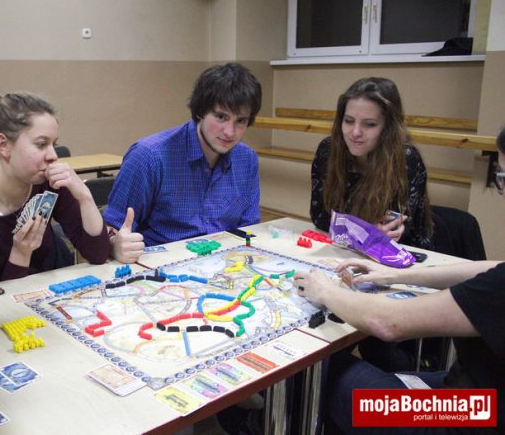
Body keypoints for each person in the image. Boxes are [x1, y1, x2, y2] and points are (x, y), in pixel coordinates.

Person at [295, 128, 505, 433]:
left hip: (468, 415)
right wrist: (395, 274)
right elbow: (492, 269)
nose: (501, 190)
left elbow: (387, 323)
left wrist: (324, 290)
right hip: (478, 398)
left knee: (316, 369)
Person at [104, 62, 262, 263]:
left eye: (241, 121)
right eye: (221, 117)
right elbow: (111, 230)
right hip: (159, 267)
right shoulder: (149, 156)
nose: (230, 132)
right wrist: (113, 245)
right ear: (200, 112)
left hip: (224, 265)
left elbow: (249, 228)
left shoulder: (247, 159)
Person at [0, 90, 111, 286]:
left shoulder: (49, 184)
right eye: (41, 144)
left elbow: (97, 254)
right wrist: (21, 254)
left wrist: (84, 197)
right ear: (3, 145)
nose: (53, 155)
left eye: (54, 144)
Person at [310, 77, 433, 250]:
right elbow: (320, 216)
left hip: (400, 254)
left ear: (388, 128)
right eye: (349, 121)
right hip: (343, 249)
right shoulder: (328, 150)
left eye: (369, 124)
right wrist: (362, 232)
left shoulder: (406, 158)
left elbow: (399, 231)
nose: (355, 132)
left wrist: (362, 231)